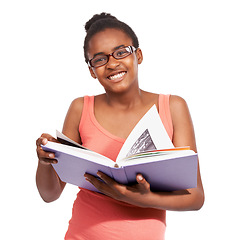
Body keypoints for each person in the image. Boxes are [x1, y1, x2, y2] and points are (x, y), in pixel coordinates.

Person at [36, 13, 204, 240]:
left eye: (121, 52)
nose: (112, 63)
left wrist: (139, 198)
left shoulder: (173, 107)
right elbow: (50, 195)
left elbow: (195, 198)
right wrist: (45, 161)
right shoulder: (80, 108)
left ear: (139, 55)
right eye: (99, 59)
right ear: (91, 70)